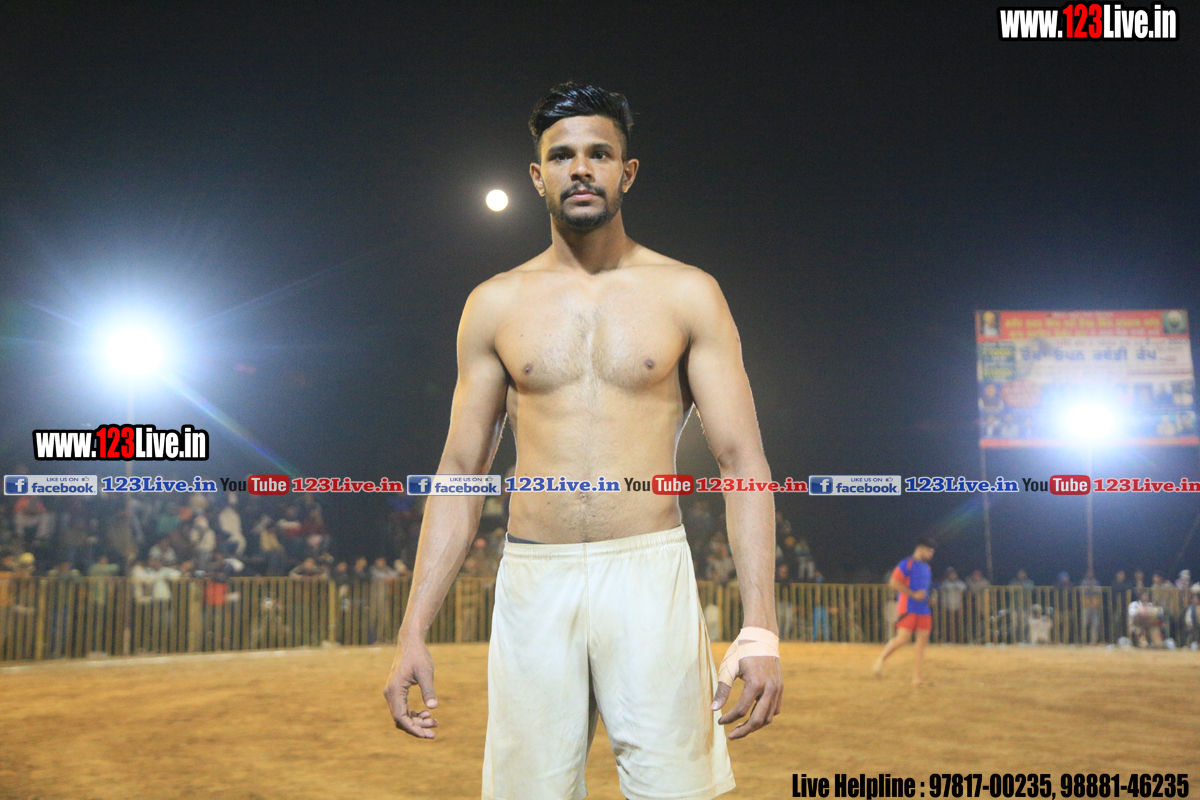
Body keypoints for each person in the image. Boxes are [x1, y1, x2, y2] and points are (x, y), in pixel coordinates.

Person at [383, 82, 782, 800]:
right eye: (562, 156)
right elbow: (461, 470)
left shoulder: (688, 293)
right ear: (538, 176)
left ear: (627, 172)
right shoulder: (494, 304)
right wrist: (414, 627)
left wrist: (760, 628)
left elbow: (742, 462)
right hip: (535, 579)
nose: (581, 168)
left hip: (649, 574)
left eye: (599, 153)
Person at [872, 537, 936, 684]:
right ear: (920, 548)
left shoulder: (927, 567)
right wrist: (913, 594)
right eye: (929, 551)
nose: (931, 554)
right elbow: (893, 583)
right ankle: (881, 659)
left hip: (923, 608)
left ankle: (917, 677)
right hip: (908, 607)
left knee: (922, 642)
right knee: (903, 638)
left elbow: (922, 589)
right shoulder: (907, 563)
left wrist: (927, 599)